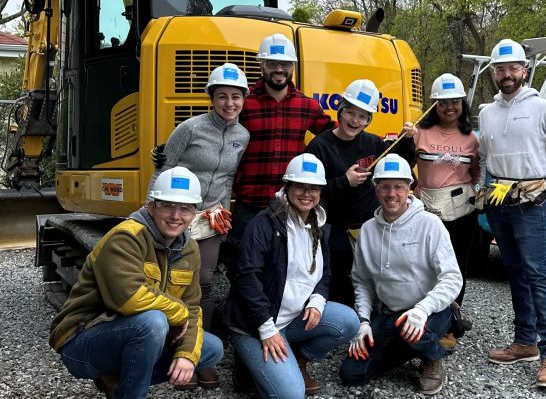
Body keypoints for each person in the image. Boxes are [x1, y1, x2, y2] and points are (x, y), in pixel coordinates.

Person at [49, 167, 224, 398]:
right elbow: (129, 298)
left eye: (185, 208)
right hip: (82, 340)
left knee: (211, 349)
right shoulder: (126, 237)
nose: (176, 216)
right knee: (153, 321)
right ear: (152, 206)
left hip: (133, 332)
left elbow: (192, 307)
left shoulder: (189, 248)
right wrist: (179, 312)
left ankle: (119, 380)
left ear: (194, 214)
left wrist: (186, 355)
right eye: (168, 205)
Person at [478, 38, 546, 389]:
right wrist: (482, 186)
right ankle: (525, 342)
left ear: (524, 70)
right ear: (493, 72)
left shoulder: (543, 109)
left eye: (512, 68)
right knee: (515, 270)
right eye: (500, 69)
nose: (506, 75)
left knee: (538, 274)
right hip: (499, 198)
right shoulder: (487, 113)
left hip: (530, 200)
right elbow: (483, 158)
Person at [225, 153, 359, 398]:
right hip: (256, 324)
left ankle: (297, 360)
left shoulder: (319, 223)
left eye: (313, 188)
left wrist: (318, 302)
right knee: (291, 395)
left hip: (293, 317)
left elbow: (324, 273)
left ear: (320, 191)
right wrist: (266, 329)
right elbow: (245, 276)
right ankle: (248, 360)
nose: (307, 193)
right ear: (287, 187)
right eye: (300, 186)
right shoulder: (265, 223)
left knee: (348, 322)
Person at [340, 154, 462, 395]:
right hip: (389, 314)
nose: (391, 194)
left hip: (429, 311)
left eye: (398, 186)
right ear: (375, 189)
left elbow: (452, 277)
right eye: (384, 186)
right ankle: (408, 346)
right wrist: (363, 321)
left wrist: (421, 310)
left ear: (410, 188)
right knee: (352, 374)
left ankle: (432, 354)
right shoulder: (367, 230)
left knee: (414, 333)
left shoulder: (430, 224)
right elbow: (362, 281)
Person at [149, 62, 250, 351]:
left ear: (243, 100)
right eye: (222, 96)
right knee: (168, 279)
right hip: (177, 213)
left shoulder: (242, 136)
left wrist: (224, 212)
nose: (229, 103)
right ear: (212, 98)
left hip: (210, 218)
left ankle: (197, 347)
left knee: (203, 281)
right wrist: (151, 209)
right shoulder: (190, 129)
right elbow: (163, 168)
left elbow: (229, 176)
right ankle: (164, 339)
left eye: (235, 97)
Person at [305, 78, 414, 307]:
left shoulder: (373, 144)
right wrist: (345, 181)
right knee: (339, 276)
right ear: (340, 111)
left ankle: (370, 321)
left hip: (368, 224)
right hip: (334, 227)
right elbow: (309, 193)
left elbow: (401, 165)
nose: (355, 120)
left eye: (363, 116)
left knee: (373, 275)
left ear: (368, 120)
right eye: (350, 112)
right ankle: (342, 323)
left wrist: (407, 141)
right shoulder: (319, 147)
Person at [228, 33, 335, 265]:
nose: (279, 69)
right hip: (250, 203)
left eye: (285, 64)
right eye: (272, 63)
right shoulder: (244, 104)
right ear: (262, 65)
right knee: (242, 265)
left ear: (293, 66)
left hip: (290, 204)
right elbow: (217, 135)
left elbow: (337, 134)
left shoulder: (306, 106)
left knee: (285, 265)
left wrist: (386, 142)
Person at [401, 73, 480, 351]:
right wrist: (405, 139)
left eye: (455, 101)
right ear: (434, 105)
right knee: (424, 267)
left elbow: (478, 173)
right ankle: (419, 317)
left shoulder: (472, 139)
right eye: (443, 102)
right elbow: (400, 164)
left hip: (461, 212)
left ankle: (449, 325)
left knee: (455, 268)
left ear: (462, 104)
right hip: (428, 211)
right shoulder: (419, 133)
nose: (449, 107)